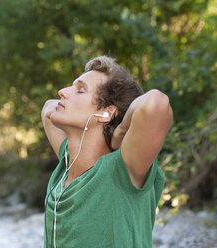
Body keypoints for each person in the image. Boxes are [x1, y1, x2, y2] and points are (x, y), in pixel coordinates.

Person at [41, 55, 173, 248]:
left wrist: (119, 132)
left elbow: (156, 103)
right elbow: (47, 109)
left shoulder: (123, 170)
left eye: (80, 90)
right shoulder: (67, 162)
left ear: (106, 113)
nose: (62, 92)